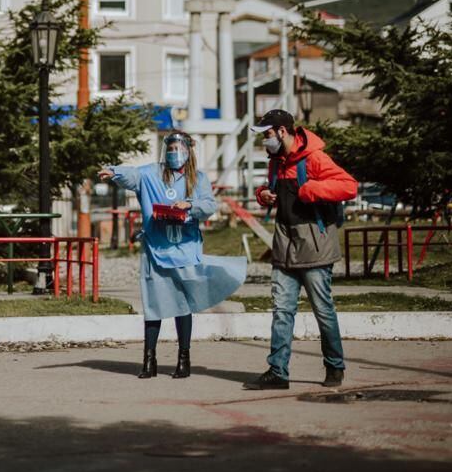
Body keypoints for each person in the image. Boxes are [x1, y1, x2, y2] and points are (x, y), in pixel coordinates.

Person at [99, 131, 247, 379]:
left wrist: (189, 205)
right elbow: (133, 175)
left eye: (179, 149)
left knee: (182, 304)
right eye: (170, 149)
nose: (174, 153)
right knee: (153, 304)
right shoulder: (151, 174)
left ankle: (184, 358)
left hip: (185, 249)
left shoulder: (197, 178)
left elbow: (209, 205)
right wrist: (114, 171)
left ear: (188, 151)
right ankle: (149, 359)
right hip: (155, 248)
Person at [244, 109, 357, 390]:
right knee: (282, 310)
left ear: (283, 131)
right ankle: (278, 372)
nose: (265, 142)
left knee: (323, 310)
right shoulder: (276, 163)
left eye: (267, 135)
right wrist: (263, 195)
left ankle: (335, 367)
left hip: (315, 246)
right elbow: (271, 192)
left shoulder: (313, 158)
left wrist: (311, 190)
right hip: (284, 245)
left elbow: (348, 186)